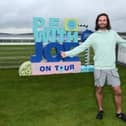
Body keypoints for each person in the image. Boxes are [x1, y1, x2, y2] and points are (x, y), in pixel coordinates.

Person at [61, 13, 126, 121]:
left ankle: (119, 113)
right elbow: (81, 47)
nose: (102, 22)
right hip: (99, 68)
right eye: (100, 20)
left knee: (118, 91)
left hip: (112, 68)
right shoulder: (93, 36)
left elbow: (124, 43)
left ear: (107, 22)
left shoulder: (113, 34)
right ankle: (100, 110)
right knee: (99, 90)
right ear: (97, 22)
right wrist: (67, 53)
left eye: (104, 20)